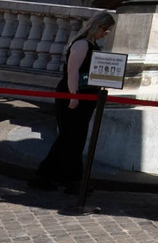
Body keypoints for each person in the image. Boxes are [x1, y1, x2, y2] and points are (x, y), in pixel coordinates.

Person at [35, 14, 115, 191]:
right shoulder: (81, 44)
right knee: (69, 137)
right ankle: (58, 178)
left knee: (74, 138)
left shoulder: (91, 44)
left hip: (85, 97)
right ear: (98, 26)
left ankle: (61, 177)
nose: (106, 33)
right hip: (74, 95)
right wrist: (74, 96)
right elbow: (73, 72)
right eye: (106, 29)